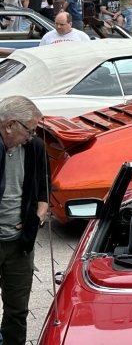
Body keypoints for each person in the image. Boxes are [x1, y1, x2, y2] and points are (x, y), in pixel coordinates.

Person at [0, 95, 50, 345]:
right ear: (10, 125)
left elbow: (43, 190)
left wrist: (39, 216)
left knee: (17, 310)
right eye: (29, 130)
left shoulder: (34, 147)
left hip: (20, 243)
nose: (32, 135)